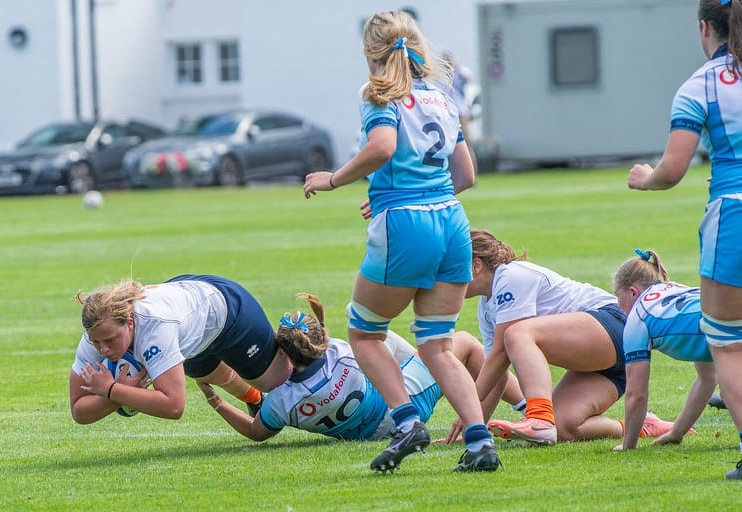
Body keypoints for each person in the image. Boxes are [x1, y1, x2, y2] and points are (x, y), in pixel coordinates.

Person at [303, 11, 498, 473]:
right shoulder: (441, 97)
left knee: (363, 332)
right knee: (438, 345)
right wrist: (401, 192)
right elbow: (465, 175)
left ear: (371, 53)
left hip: (406, 225)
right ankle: (480, 442)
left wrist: (334, 180)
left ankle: (408, 421)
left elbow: (383, 148)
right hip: (451, 222)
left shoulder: (378, 94)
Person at [626, 0, 742, 480]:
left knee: (729, 346)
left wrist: (644, 177)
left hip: (733, 212)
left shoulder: (702, 84)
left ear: (703, 27)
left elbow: (673, 170)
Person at [200, 294, 486, 467]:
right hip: (408, 406)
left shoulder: (279, 402)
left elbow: (255, 431)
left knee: (392, 350)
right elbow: (348, 352)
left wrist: (215, 400)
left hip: (369, 433)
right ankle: (511, 409)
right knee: (464, 343)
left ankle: (415, 363)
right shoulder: (341, 351)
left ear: (282, 352)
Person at [464, 229, 675, 446]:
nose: (443, 280)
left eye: (447, 269)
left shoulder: (509, 276)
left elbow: (501, 352)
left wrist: (467, 407)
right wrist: (473, 425)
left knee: (518, 333)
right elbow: (496, 374)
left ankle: (539, 418)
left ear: (476, 265)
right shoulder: (486, 308)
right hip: (609, 357)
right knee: (564, 427)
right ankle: (641, 425)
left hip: (614, 325)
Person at [69, 274, 293, 424]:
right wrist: (118, 394)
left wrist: (112, 390)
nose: (103, 349)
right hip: (190, 324)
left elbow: (174, 407)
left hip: (228, 308)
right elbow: (79, 411)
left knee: (276, 381)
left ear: (129, 322)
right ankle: (255, 399)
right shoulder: (96, 332)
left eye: (110, 340)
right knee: (214, 375)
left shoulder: (156, 328)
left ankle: (321, 360)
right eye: (96, 342)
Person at [613, 248, 709, 451]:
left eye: (617, 295)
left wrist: (628, 445)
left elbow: (636, 393)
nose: (618, 304)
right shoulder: (676, 288)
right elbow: (708, 379)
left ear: (632, 292)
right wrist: (677, 432)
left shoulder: (638, 317)